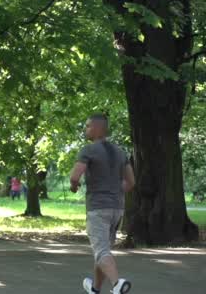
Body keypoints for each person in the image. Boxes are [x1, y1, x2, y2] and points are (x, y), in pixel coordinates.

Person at [69, 114, 135, 294]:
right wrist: (114, 188)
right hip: (117, 209)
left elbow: (75, 176)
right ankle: (95, 289)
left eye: (88, 126)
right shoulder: (121, 152)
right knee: (103, 251)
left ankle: (117, 284)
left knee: (102, 252)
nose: (86, 129)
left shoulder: (88, 150)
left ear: (99, 129)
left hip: (98, 208)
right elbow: (130, 183)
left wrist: (74, 186)